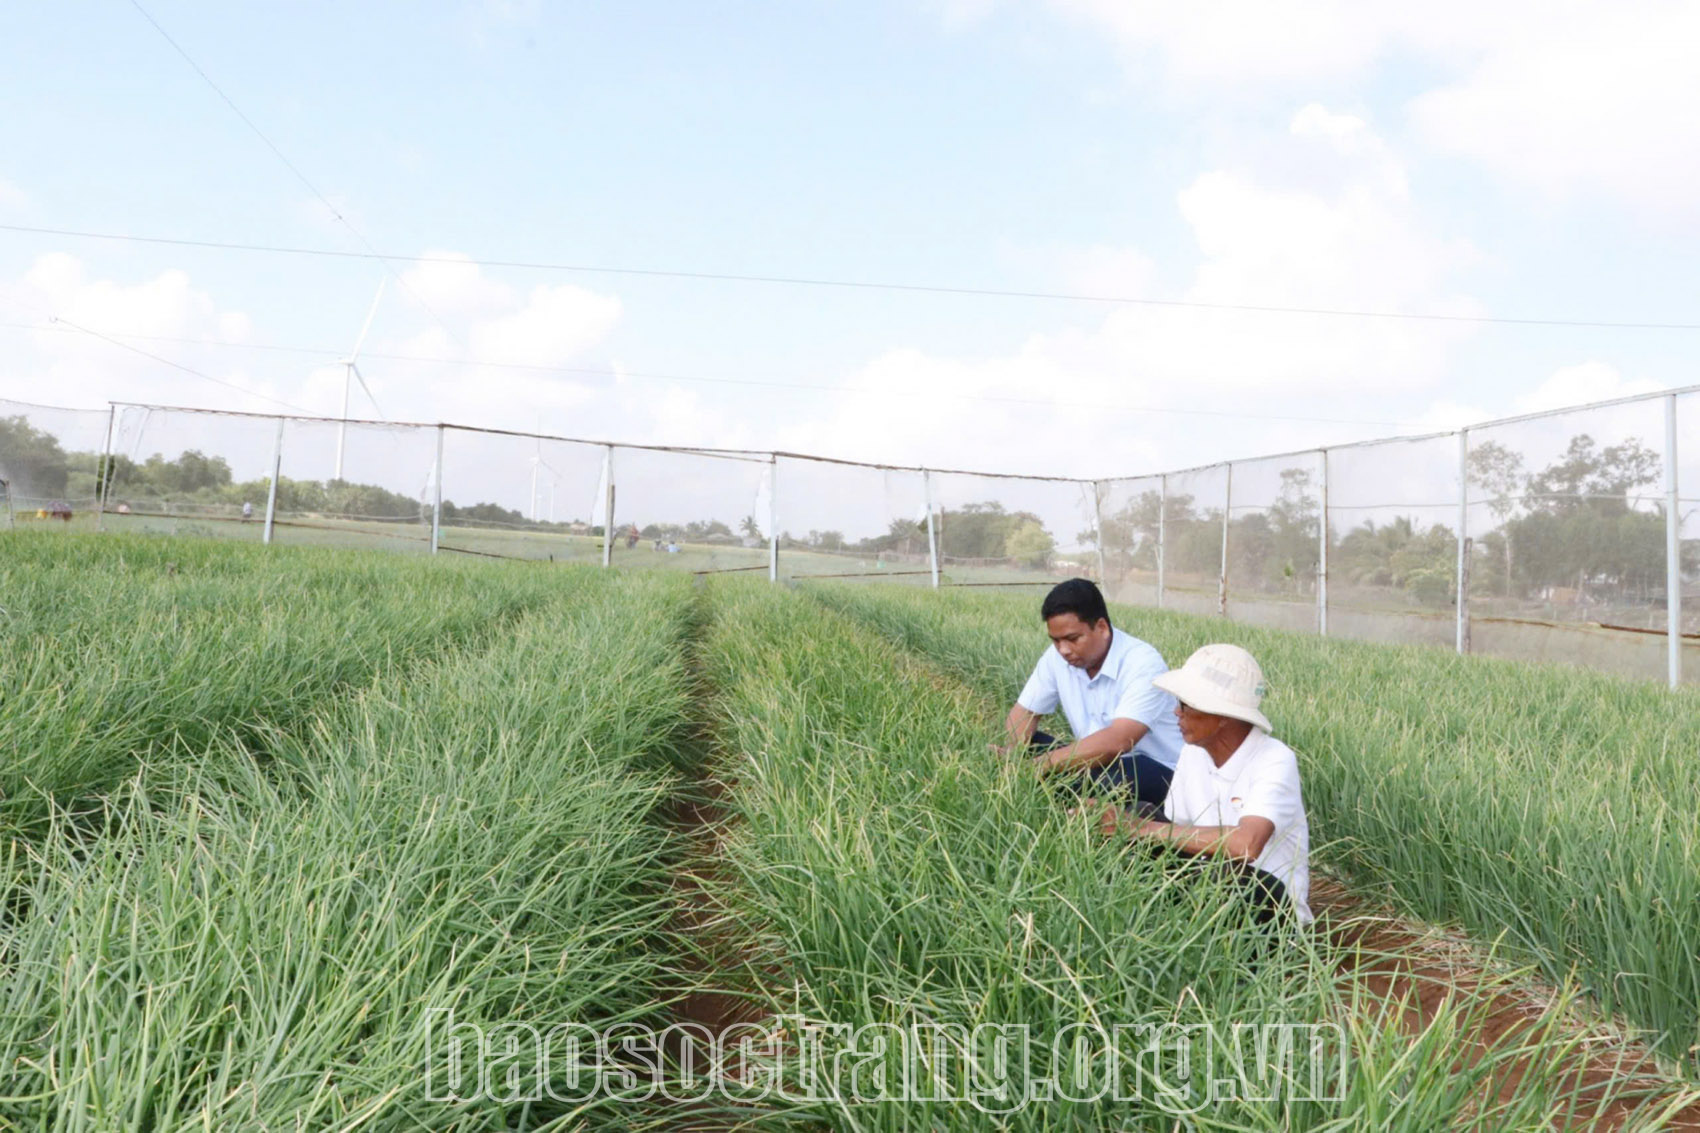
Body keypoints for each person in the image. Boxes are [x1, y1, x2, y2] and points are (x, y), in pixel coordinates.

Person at [1095, 643, 1312, 925]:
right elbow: (1174, 832)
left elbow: (1246, 846)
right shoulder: (1193, 752)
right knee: (1139, 812)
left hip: (1264, 901)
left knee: (1225, 877)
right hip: (1205, 883)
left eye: (1185, 705)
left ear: (1221, 715)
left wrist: (1142, 829)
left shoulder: (1275, 759)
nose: (1176, 713)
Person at [1000, 578, 1183, 812]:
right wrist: (1012, 758)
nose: (1063, 650)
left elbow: (1119, 740)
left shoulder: (1142, 662)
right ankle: (1108, 807)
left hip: (1155, 767)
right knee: (1027, 747)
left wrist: (1042, 765)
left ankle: (1143, 814)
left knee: (1084, 782)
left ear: (1102, 628)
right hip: (1097, 760)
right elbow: (1024, 712)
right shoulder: (1056, 658)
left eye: (1073, 639)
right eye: (1056, 641)